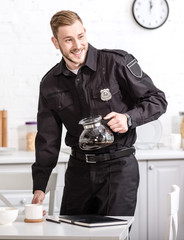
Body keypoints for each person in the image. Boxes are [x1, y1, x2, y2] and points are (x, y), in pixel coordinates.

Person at [31, 10, 167, 216]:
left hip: (119, 169)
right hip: (78, 172)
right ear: (55, 42)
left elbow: (157, 99)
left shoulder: (116, 62)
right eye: (68, 40)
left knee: (113, 234)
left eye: (80, 36)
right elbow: (47, 139)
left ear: (85, 32)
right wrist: (40, 185)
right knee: (71, 232)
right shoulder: (50, 83)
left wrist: (128, 119)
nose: (77, 45)